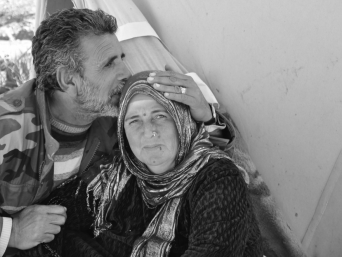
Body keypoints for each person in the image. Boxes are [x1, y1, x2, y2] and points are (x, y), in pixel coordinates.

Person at [0, 9, 229, 257]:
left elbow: (186, 160)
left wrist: (207, 115)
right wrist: (8, 232)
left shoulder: (116, 113)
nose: (126, 72)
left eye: (121, 57)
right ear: (68, 79)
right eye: (110, 63)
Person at [18, 71, 263, 257]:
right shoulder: (117, 174)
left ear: (182, 121)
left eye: (161, 116)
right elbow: (53, 220)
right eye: (134, 120)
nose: (149, 132)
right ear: (123, 133)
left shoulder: (217, 178)